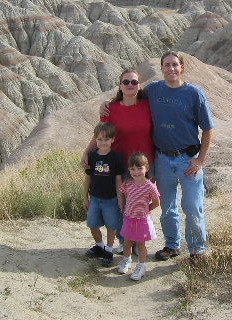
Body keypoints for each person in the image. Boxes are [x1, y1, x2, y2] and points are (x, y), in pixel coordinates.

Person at [101, 52, 214, 262]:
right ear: (161, 68)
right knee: (167, 207)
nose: (171, 69)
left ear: (182, 68)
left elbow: (207, 129)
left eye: (175, 65)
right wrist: (107, 103)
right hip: (161, 159)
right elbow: (130, 96)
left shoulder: (194, 94)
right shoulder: (153, 90)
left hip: (188, 160)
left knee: (192, 207)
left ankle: (197, 250)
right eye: (167, 65)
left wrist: (200, 160)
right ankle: (172, 244)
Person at [81, 69, 154, 254]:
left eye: (134, 82)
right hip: (119, 164)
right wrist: (87, 153)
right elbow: (100, 134)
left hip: (144, 165)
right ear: (120, 86)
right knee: (122, 205)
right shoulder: (110, 109)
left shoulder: (148, 105)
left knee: (140, 205)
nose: (130, 85)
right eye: (126, 82)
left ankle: (138, 242)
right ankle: (124, 242)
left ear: (139, 86)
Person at [83, 122, 124, 267]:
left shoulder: (116, 158)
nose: (103, 142)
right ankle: (99, 246)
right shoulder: (92, 157)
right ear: (95, 140)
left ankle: (108, 250)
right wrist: (85, 198)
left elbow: (118, 181)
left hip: (110, 199)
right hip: (94, 198)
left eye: (106, 139)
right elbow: (88, 177)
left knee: (111, 226)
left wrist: (120, 199)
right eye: (99, 139)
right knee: (92, 224)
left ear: (112, 140)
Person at [117, 152, 160, 281]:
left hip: (142, 220)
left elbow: (157, 202)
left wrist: (146, 210)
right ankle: (126, 260)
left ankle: (141, 266)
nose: (136, 172)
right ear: (129, 169)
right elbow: (125, 195)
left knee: (141, 245)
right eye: (132, 169)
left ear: (146, 168)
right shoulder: (127, 183)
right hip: (128, 218)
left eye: (139, 168)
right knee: (126, 243)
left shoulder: (150, 186)